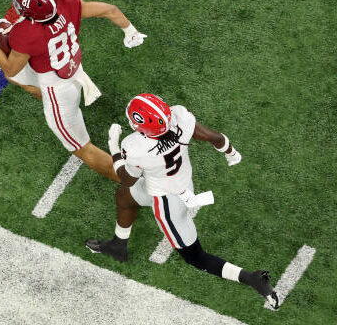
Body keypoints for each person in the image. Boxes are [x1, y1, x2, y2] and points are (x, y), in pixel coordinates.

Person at [85, 93, 279, 309]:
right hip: (181, 183)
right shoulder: (179, 116)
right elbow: (212, 136)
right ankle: (118, 245)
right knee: (124, 196)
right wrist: (231, 152)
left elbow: (126, 177)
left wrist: (113, 147)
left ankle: (251, 278)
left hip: (167, 202)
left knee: (195, 257)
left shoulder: (135, 146)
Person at [0, 0, 147, 182]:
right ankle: (42, 95)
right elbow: (110, 10)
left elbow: (9, 68)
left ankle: (138, 185)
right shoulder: (65, 0)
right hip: (73, 67)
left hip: (57, 89)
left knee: (82, 149)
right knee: (21, 79)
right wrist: (130, 32)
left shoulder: (26, 33)